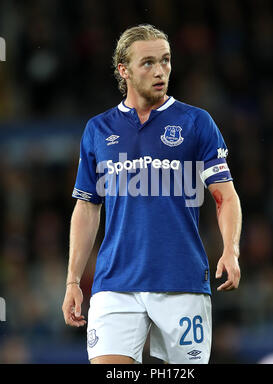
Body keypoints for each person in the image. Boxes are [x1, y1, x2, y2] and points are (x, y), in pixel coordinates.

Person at [62, 24, 242, 364]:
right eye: (148, 63)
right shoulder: (98, 130)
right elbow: (86, 208)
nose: (160, 71)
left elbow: (226, 196)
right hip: (115, 284)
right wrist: (73, 280)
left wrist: (230, 250)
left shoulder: (196, 122)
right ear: (124, 70)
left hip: (182, 280)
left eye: (166, 60)